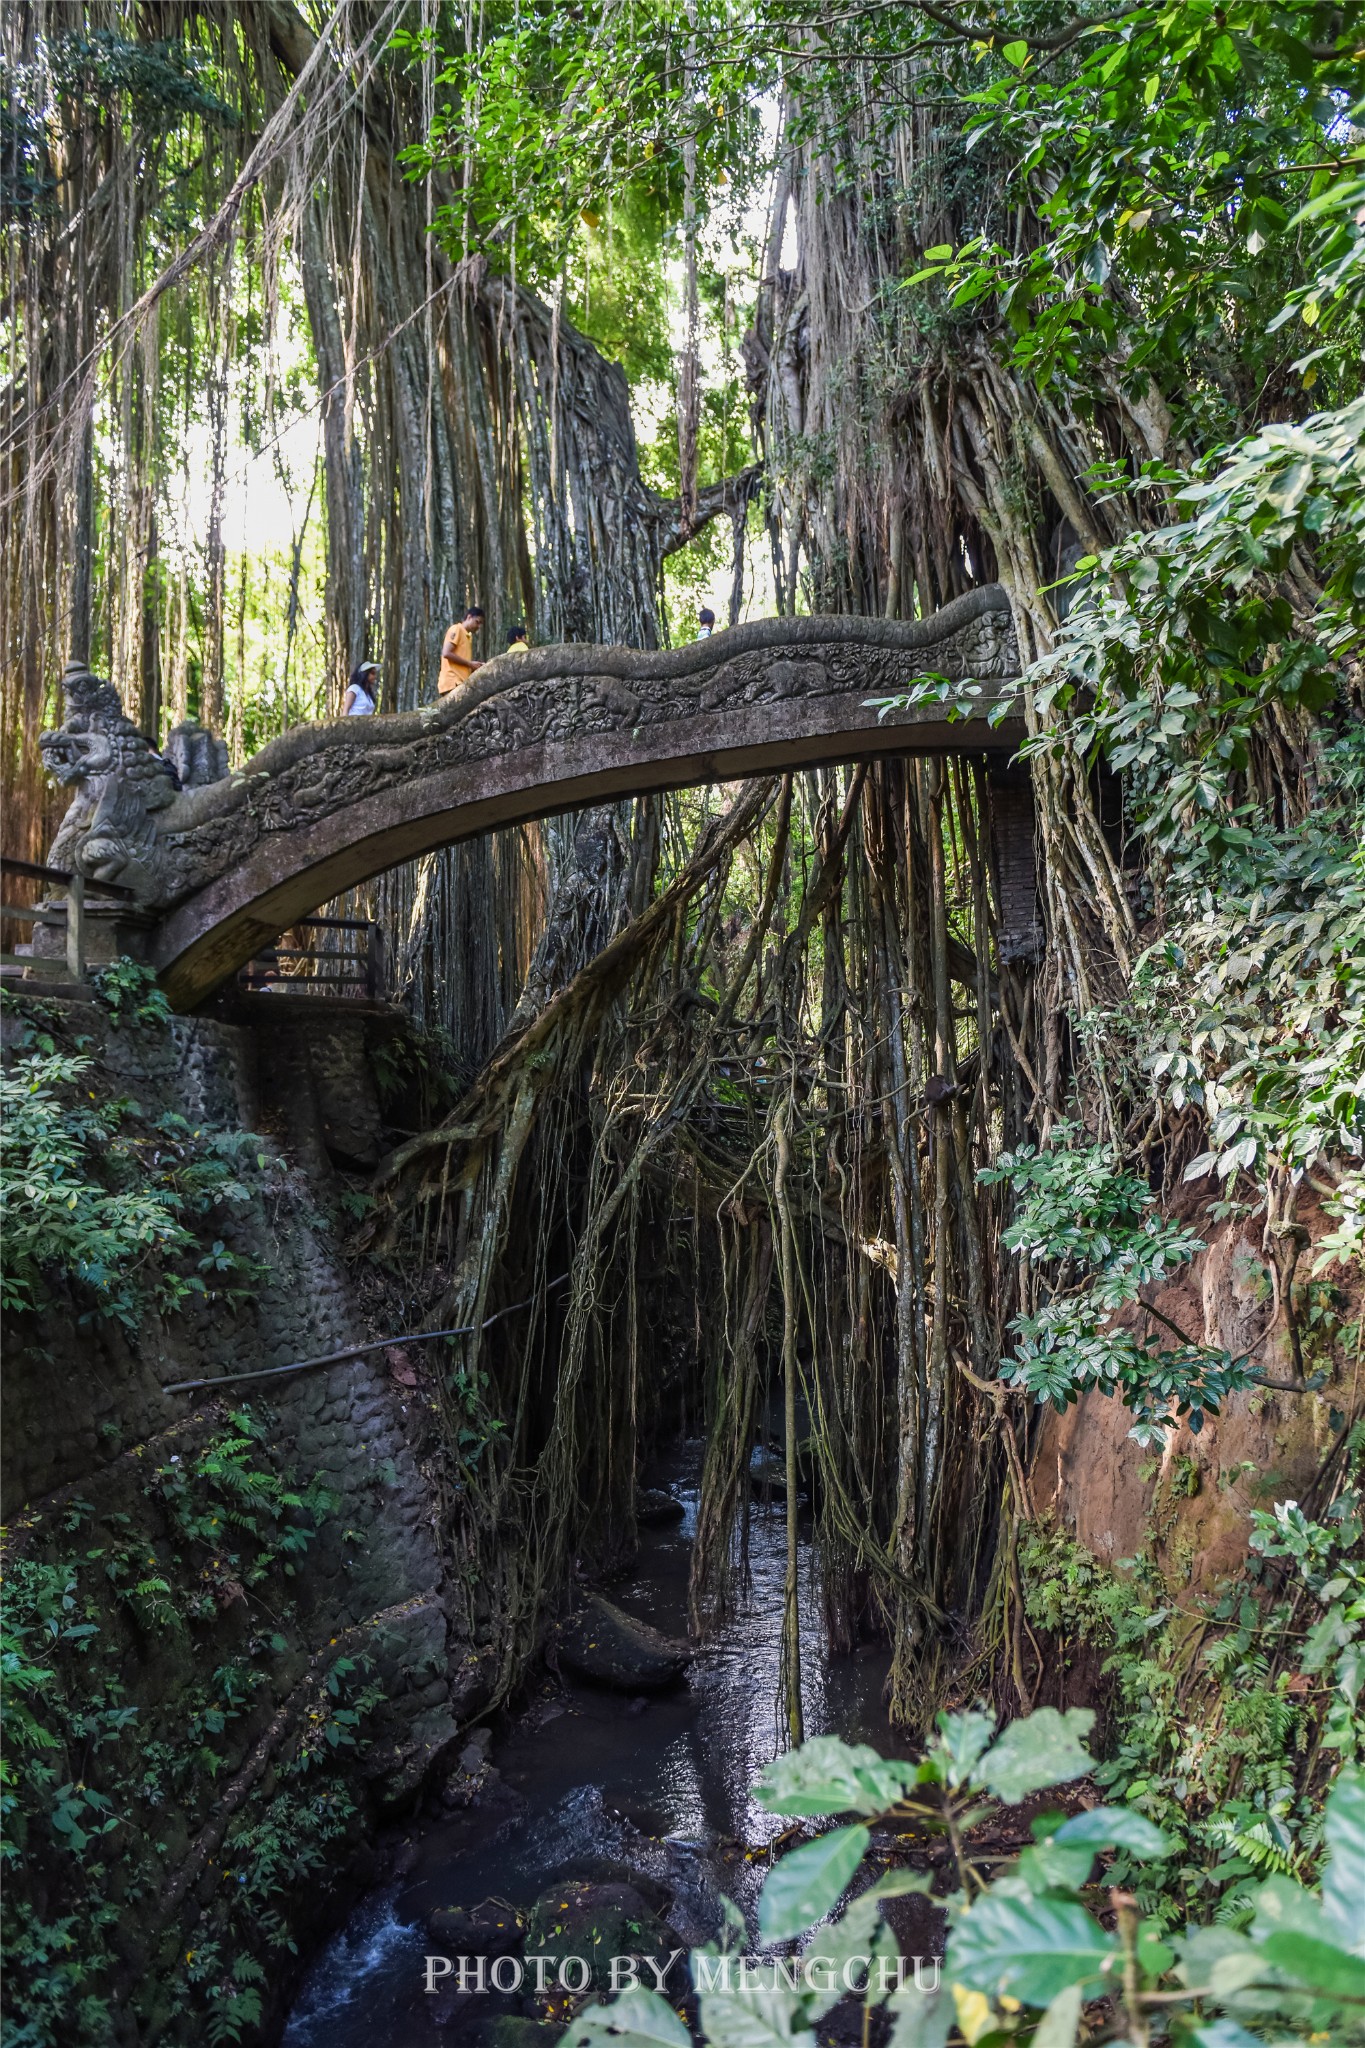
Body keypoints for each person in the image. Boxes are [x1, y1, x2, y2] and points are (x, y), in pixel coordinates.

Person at [439, 606, 485, 695]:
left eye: (480, 624)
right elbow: (446, 653)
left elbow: (462, 662)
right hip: (453, 682)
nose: (478, 626)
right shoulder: (456, 629)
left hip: (461, 683)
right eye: (477, 622)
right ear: (469, 617)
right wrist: (469, 664)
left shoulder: (468, 637)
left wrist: (474, 666)